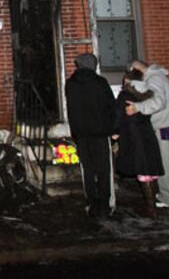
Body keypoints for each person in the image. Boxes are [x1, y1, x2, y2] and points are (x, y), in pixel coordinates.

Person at [126, 60, 169, 209]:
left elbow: (159, 101)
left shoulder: (154, 78)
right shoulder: (158, 76)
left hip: (167, 126)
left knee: (168, 165)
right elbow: (150, 91)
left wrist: (138, 107)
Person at [65, 53, 116, 218]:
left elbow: (72, 109)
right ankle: (105, 203)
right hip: (100, 133)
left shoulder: (70, 84)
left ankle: (92, 203)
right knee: (103, 170)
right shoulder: (100, 82)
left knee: (87, 170)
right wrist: (113, 128)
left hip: (81, 134)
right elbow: (111, 107)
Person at [113, 69, 164, 218]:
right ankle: (152, 203)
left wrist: (115, 131)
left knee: (143, 171)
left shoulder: (125, 95)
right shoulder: (148, 93)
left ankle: (150, 208)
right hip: (147, 133)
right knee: (150, 171)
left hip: (133, 135)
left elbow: (118, 115)